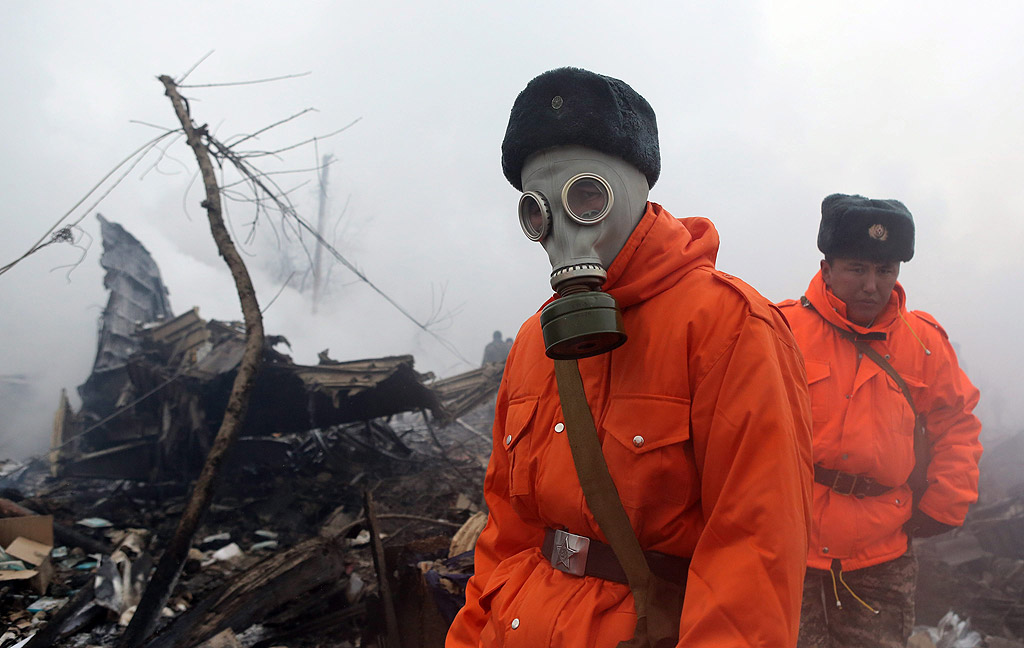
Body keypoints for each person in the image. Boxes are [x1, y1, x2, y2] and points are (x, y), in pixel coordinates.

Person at [446, 66, 813, 648]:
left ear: (636, 190)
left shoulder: (728, 326)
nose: (562, 229)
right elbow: (508, 532)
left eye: (585, 195)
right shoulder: (533, 343)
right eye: (537, 211)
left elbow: (753, 553)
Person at [778, 194, 983, 648]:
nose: (873, 285)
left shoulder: (924, 342)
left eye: (885, 270)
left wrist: (946, 504)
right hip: (790, 547)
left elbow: (957, 423)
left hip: (883, 556)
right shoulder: (779, 331)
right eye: (857, 268)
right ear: (827, 267)